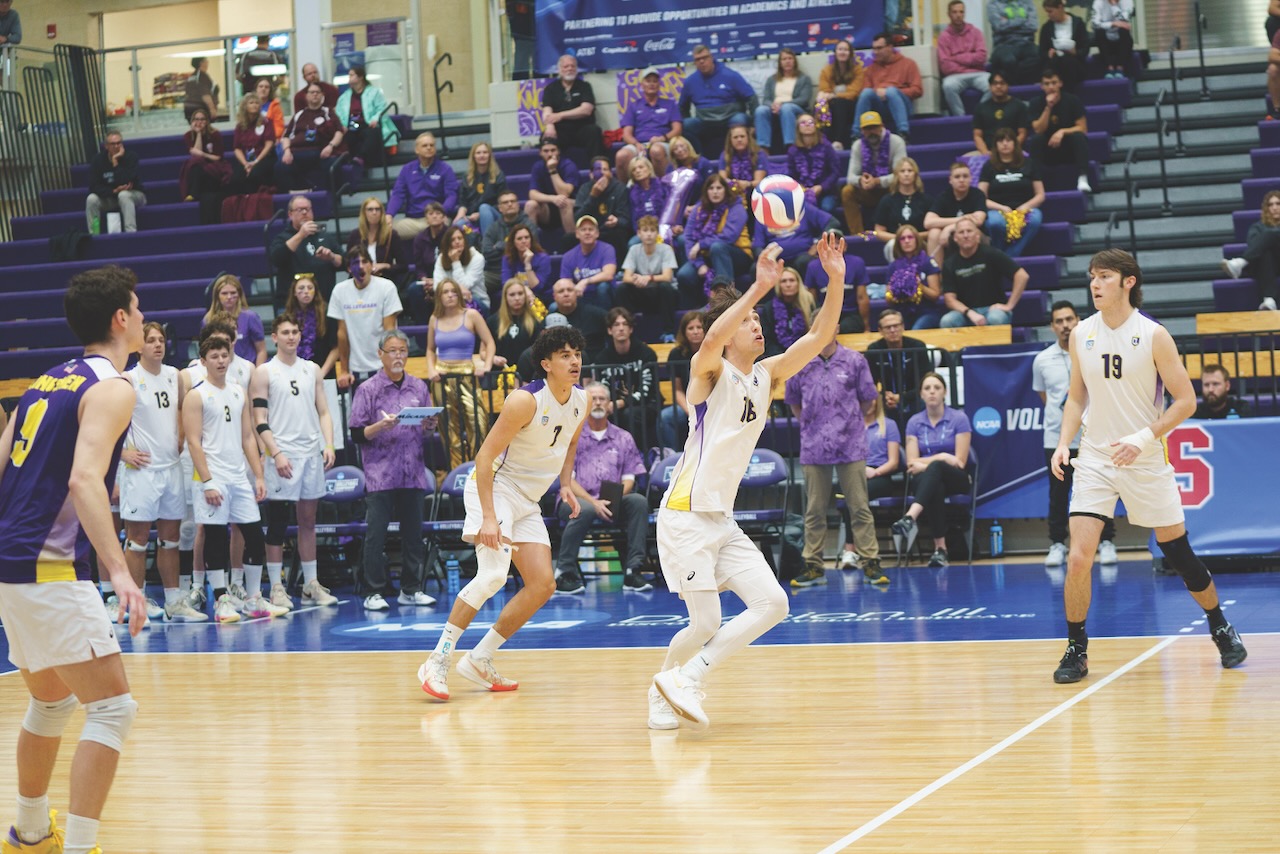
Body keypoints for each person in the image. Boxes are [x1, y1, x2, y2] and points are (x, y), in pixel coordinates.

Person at [650, 235, 846, 732]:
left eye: (759, 321)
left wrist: (837, 277)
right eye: (748, 322)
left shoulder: (767, 375)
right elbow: (710, 339)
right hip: (685, 512)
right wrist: (757, 288)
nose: (756, 326)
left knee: (773, 603)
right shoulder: (708, 374)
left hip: (720, 517)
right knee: (705, 623)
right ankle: (668, 687)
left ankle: (684, 677)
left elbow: (820, 336)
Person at [1049, 248, 1247, 683]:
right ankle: (1075, 650)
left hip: (1143, 458)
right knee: (1079, 557)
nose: (1094, 285)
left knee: (1177, 552)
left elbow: (1187, 401)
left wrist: (1143, 438)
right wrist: (1064, 443)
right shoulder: (1082, 332)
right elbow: (1077, 396)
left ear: (1128, 281)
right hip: (1097, 456)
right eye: (1091, 278)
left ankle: (1220, 625)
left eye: (1103, 277)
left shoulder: (1154, 335)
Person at [0, 265, 145, 854]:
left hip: (11, 563)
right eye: (137, 310)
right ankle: (82, 847)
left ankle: (30, 831)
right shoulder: (113, 386)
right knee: (113, 710)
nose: (141, 318)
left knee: (51, 701)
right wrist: (117, 572)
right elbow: (85, 477)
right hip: (50, 566)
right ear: (119, 319)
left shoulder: (43, 382)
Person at [417, 325, 589, 701]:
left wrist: (564, 484)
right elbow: (482, 458)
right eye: (564, 355)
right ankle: (437, 659)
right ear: (546, 364)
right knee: (494, 574)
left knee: (543, 584)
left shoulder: (581, 400)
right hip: (494, 488)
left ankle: (480, 658)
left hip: (527, 500)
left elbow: (571, 442)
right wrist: (491, 517)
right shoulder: (524, 401)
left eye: (576, 353)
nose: (574, 360)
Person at [250, 314, 340, 612]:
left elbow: (324, 411)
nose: (291, 337)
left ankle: (310, 584)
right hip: (282, 455)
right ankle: (276, 587)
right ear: (274, 337)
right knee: (277, 524)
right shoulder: (264, 372)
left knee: (308, 521)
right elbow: (259, 419)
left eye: (295, 332)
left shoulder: (312, 369)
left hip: (310, 452)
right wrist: (275, 453)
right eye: (285, 332)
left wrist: (328, 444)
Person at [785, 324, 886, 588]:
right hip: (813, 444)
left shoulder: (855, 360)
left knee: (859, 506)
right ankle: (814, 565)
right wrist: (810, 425)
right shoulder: (801, 362)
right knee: (814, 509)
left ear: (837, 328)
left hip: (851, 443)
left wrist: (849, 422)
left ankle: (871, 561)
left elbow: (868, 399)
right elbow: (793, 401)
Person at [182, 333, 270, 623]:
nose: (221, 361)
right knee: (216, 539)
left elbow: (247, 436)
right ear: (204, 360)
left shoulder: (237, 391)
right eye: (215, 356)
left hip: (238, 476)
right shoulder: (196, 394)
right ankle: (221, 600)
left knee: (255, 537)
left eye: (224, 355)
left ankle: (254, 598)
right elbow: (193, 442)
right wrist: (207, 481)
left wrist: (258, 475)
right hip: (212, 476)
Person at [347, 329, 438, 611]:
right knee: (377, 534)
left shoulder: (419, 387)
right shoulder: (369, 389)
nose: (398, 356)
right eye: (393, 351)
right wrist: (380, 427)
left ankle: (411, 589)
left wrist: (430, 425)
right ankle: (373, 592)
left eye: (402, 351)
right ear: (381, 355)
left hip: (413, 471)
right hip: (380, 473)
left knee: (413, 534)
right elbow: (357, 434)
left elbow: (428, 426)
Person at [1032, 300, 1118, 569]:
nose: (1065, 326)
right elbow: (1045, 397)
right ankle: (1057, 544)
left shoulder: (1093, 352)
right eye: (1059, 321)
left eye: (1069, 319)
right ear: (1052, 326)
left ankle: (1107, 542)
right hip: (1057, 440)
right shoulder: (1041, 360)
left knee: (1100, 491)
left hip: (1093, 437)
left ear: (1078, 321)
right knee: (1058, 494)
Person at [554, 381, 652, 594]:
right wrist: (593, 503)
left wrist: (612, 501)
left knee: (638, 502)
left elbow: (629, 478)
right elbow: (567, 480)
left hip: (611, 500)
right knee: (584, 509)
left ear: (610, 405)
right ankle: (564, 572)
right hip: (574, 500)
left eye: (602, 399)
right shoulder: (572, 436)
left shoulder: (623, 437)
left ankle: (633, 571)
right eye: (593, 399)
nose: (598, 403)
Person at [890, 371, 972, 568]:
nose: (932, 392)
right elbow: (911, 463)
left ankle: (910, 517)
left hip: (957, 478)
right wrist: (943, 457)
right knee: (935, 485)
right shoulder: (914, 422)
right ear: (921, 394)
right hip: (926, 479)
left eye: (937, 388)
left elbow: (960, 461)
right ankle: (940, 550)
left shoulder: (959, 418)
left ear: (944, 392)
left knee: (935, 469)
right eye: (927, 388)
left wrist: (937, 460)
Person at [426, 279, 495, 470]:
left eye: (453, 292)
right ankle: (457, 470)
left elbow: (489, 342)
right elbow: (430, 350)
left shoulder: (471, 315)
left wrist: (486, 365)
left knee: (479, 424)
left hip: (467, 375)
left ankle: (479, 469)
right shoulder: (434, 319)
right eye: (445, 292)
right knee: (448, 428)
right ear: (439, 296)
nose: (450, 295)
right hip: (442, 377)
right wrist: (431, 369)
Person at [328, 247, 403, 391]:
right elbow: (342, 333)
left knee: (387, 413)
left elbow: (389, 331)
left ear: (371, 265)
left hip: (382, 365)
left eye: (364, 262)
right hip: (356, 367)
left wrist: (390, 364)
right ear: (349, 268)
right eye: (356, 263)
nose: (361, 266)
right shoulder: (340, 291)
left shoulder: (386, 287)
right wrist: (344, 370)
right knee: (360, 413)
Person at [676, 175, 752, 307]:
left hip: (737, 254)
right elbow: (688, 237)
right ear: (706, 191)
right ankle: (692, 313)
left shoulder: (736, 206)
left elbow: (729, 236)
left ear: (725, 190)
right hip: (707, 256)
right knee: (684, 275)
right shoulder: (699, 209)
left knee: (717, 247)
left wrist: (701, 244)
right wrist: (699, 265)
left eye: (719, 188)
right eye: (711, 188)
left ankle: (727, 301)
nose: (715, 191)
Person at [940, 218, 1028, 327]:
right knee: (947, 321)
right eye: (961, 232)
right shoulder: (949, 263)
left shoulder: (991, 254)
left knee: (995, 318)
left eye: (969, 231)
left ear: (977, 236)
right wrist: (970, 313)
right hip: (966, 312)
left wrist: (1009, 305)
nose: (966, 235)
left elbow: (1022, 276)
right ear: (955, 238)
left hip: (993, 310)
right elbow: (949, 300)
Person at [591, 307, 662, 442]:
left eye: (625, 324)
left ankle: (637, 456)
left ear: (631, 329)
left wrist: (621, 403)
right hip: (614, 407)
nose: (621, 328)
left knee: (629, 414)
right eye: (616, 325)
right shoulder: (602, 358)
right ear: (609, 330)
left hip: (647, 404)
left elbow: (648, 391)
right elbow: (603, 389)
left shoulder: (646, 354)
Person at [678, 45, 759, 154]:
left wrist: (754, 124)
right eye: (698, 59)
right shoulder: (690, 82)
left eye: (705, 57)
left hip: (731, 118)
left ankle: (741, 158)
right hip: (704, 122)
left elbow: (751, 97)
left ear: (712, 58)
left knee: (740, 119)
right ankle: (699, 159)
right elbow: (682, 107)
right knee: (686, 125)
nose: (702, 62)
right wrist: (686, 117)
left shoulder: (731, 75)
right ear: (695, 62)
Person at [979, 127, 1046, 257]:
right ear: (995, 145)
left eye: (1009, 140)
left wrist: (1025, 207)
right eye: (1001, 141)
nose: (1005, 144)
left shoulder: (1028, 163)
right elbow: (981, 196)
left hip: (1024, 209)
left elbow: (1040, 195)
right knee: (994, 222)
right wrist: (1002, 208)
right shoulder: (988, 166)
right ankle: (999, 252)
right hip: (997, 210)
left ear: (1015, 144)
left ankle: (1007, 256)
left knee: (1036, 219)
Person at [840, 111, 907, 236]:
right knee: (847, 191)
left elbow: (901, 174)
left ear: (882, 126)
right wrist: (861, 181)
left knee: (903, 184)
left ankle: (897, 232)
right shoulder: (857, 145)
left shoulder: (896, 142)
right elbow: (850, 177)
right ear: (862, 131)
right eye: (867, 129)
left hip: (889, 189)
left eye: (874, 128)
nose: (871, 132)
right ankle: (858, 235)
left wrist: (878, 181)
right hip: (867, 190)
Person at [270, 195, 344, 304]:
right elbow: (277, 259)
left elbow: (345, 262)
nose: (304, 213)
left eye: (307, 209)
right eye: (300, 210)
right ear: (290, 214)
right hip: (292, 304)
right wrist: (301, 234)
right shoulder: (282, 238)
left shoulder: (326, 237)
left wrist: (332, 257)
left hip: (323, 301)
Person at [1028, 69, 1092, 194]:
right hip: (1047, 150)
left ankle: (1083, 178)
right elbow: (1038, 129)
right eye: (1047, 84)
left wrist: (1062, 131)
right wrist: (1048, 107)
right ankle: (1036, 184)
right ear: (1041, 86)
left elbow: (1082, 128)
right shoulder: (1035, 103)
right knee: (1036, 140)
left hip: (1068, 149)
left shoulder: (1072, 100)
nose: (1051, 87)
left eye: (1054, 82)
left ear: (1060, 84)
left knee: (1079, 137)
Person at [387, 132, 459, 238]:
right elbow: (398, 194)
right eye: (425, 146)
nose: (429, 148)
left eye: (432, 145)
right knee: (385, 229)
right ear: (417, 150)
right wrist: (389, 214)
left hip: (438, 217)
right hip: (413, 220)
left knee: (440, 225)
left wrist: (441, 212)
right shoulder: (407, 169)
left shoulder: (445, 169)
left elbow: (452, 195)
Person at [276, 82, 344, 191]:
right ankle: (291, 199)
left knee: (332, 165)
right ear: (306, 96)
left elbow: (339, 132)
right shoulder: (299, 115)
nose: (315, 94)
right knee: (280, 166)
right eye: (312, 92)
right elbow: (286, 137)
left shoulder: (328, 112)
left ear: (322, 95)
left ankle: (330, 200)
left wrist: (330, 146)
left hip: (320, 152)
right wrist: (287, 151)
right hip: (297, 152)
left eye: (317, 92)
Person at [855, 32, 923, 140]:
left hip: (902, 106)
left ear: (890, 47)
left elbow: (918, 90)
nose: (875, 52)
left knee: (891, 91)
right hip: (880, 107)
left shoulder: (908, 64)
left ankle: (903, 133)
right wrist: (877, 92)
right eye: (874, 49)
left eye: (879, 48)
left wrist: (892, 92)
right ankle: (856, 134)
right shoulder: (871, 69)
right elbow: (864, 91)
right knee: (866, 93)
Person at [866, 308, 930, 423]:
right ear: (880, 331)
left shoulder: (917, 346)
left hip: (915, 398)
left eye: (896, 326)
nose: (893, 330)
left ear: (903, 327)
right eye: (888, 327)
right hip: (887, 400)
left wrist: (902, 397)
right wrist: (883, 396)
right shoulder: (874, 350)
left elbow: (926, 380)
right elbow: (869, 383)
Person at [617, 66, 681, 178]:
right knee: (621, 155)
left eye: (655, 81)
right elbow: (626, 134)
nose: (652, 84)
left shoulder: (670, 104)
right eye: (648, 81)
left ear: (659, 85)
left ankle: (664, 188)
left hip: (662, 142)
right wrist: (636, 144)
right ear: (642, 85)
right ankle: (624, 193)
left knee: (656, 150)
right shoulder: (634, 106)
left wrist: (663, 138)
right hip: (638, 144)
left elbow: (677, 129)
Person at [1221, 190, 1280, 311]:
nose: (1274, 207)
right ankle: (1269, 300)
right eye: (1271, 204)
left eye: (1278, 204)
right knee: (1265, 252)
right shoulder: (1257, 227)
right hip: (1264, 265)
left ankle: (1240, 263)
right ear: (1266, 208)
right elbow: (1253, 244)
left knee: (1271, 234)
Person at [540, 54, 605, 161]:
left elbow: (586, 110)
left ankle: (597, 167)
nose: (570, 69)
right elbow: (547, 112)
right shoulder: (550, 89)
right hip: (561, 131)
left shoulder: (585, 86)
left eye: (572, 66)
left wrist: (560, 115)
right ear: (559, 69)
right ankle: (552, 170)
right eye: (566, 66)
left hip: (582, 129)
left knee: (594, 131)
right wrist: (550, 126)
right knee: (547, 136)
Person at [656, 310, 705, 451]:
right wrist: (691, 412)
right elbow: (677, 390)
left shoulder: (716, 351)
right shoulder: (676, 354)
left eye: (699, 327)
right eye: (690, 328)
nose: (695, 332)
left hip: (713, 404)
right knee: (665, 418)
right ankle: (672, 457)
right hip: (688, 405)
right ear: (684, 332)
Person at [618, 215, 678, 325]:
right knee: (622, 288)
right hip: (642, 291)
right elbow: (626, 277)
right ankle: (629, 326)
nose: (649, 234)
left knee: (666, 287)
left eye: (652, 230)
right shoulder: (634, 249)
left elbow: (667, 277)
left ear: (657, 233)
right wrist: (638, 279)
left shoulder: (666, 249)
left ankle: (668, 331)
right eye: (645, 230)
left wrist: (647, 278)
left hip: (659, 294)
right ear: (639, 233)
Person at [924, 161, 988, 261]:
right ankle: (937, 274)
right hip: (951, 238)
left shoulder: (978, 194)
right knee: (934, 233)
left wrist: (949, 228)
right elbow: (928, 222)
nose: (961, 180)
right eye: (957, 177)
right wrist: (961, 219)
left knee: (969, 231)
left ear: (971, 178)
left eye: (965, 176)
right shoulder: (944, 196)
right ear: (950, 180)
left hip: (977, 236)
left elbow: (978, 220)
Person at [85, 131, 146, 235]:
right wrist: (113, 191)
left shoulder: (131, 157)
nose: (116, 146)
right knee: (91, 199)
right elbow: (94, 186)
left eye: (119, 143)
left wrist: (115, 162)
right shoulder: (98, 160)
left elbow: (127, 181)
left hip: (134, 195)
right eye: (113, 144)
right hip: (111, 197)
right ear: (106, 146)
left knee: (124, 195)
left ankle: (131, 233)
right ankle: (93, 234)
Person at [884, 224, 944, 329]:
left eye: (910, 237)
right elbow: (888, 299)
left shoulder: (928, 263)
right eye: (902, 238)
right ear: (898, 243)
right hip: (901, 312)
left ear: (917, 240)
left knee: (917, 329)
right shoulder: (893, 267)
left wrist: (918, 285)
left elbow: (935, 295)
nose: (907, 241)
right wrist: (897, 289)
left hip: (926, 311)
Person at [336, 64, 397, 166]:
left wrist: (375, 119)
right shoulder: (344, 97)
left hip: (369, 124)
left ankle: (360, 158)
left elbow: (381, 108)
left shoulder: (374, 92)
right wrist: (342, 125)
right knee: (346, 137)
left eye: (352, 75)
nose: (349, 78)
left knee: (372, 133)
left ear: (360, 77)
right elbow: (339, 113)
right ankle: (349, 163)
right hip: (351, 126)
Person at [755, 48, 814, 152]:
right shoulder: (771, 79)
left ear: (794, 61)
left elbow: (803, 99)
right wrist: (773, 106)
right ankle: (763, 148)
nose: (787, 61)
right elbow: (766, 99)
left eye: (790, 58)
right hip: (775, 108)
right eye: (784, 59)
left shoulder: (804, 79)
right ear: (780, 63)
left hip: (796, 109)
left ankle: (790, 145)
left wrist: (782, 104)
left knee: (787, 108)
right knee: (760, 110)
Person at [873, 157, 934, 257]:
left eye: (910, 171)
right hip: (896, 244)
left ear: (915, 174)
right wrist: (900, 238)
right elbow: (879, 231)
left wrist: (913, 237)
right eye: (902, 171)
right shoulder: (887, 200)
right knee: (892, 244)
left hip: (921, 243)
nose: (906, 174)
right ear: (897, 175)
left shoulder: (926, 200)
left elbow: (933, 231)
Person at [938, 0, 991, 116]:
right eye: (955, 12)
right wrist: (970, 62)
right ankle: (960, 117)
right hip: (955, 76)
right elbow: (945, 66)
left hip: (978, 73)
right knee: (948, 86)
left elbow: (982, 57)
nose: (958, 15)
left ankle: (979, 114)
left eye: (961, 12)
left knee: (994, 85)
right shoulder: (943, 37)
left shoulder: (976, 32)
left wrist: (956, 57)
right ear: (949, 14)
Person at [574, 157, 633, 260]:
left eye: (605, 170)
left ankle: (619, 271)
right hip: (591, 231)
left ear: (611, 172)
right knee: (568, 239)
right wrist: (593, 196)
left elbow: (626, 219)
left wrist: (617, 221)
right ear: (591, 174)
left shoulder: (620, 188)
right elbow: (578, 218)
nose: (601, 173)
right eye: (597, 170)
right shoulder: (585, 189)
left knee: (618, 235)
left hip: (612, 230)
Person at [482, 191, 538, 298]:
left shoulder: (528, 224)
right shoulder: (493, 228)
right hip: (496, 272)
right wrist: (512, 248)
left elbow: (530, 247)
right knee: (476, 283)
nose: (510, 204)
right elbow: (487, 252)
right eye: (505, 202)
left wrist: (499, 246)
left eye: (513, 201)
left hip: (519, 270)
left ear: (518, 205)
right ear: (500, 208)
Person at [178, 109, 230, 224]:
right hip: (200, 167)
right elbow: (196, 154)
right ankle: (193, 193)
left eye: (202, 119)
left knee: (197, 164)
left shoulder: (215, 134)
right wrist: (199, 134)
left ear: (207, 121)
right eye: (196, 119)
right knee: (194, 164)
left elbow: (218, 157)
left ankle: (194, 192)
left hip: (214, 166)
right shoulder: (188, 136)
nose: (199, 122)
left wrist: (204, 155)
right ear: (192, 121)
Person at [346, 196, 410, 289]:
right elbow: (348, 262)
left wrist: (385, 266)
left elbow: (403, 266)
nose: (374, 212)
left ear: (382, 212)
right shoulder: (355, 235)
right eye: (370, 210)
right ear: (364, 213)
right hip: (360, 280)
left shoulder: (391, 235)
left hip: (383, 280)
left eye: (377, 209)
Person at [285, 273, 339, 379]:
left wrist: (321, 374)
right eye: (301, 288)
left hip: (324, 374)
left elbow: (336, 348)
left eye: (310, 288)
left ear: (315, 291)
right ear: (294, 293)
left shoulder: (327, 312)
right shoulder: (288, 316)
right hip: (297, 376)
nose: (306, 291)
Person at [524, 137, 581, 237]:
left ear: (558, 151)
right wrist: (553, 198)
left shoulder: (568, 165)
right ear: (540, 153)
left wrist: (552, 170)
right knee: (530, 205)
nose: (550, 154)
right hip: (549, 210)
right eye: (546, 151)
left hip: (571, 209)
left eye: (553, 150)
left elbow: (565, 193)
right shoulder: (538, 166)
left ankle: (572, 243)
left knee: (564, 202)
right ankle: (530, 246)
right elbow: (532, 194)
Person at [204, 274, 265, 366]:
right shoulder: (208, 320)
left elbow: (261, 350)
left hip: (247, 370)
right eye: (224, 293)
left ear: (239, 295)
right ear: (217, 296)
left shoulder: (250, 317)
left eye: (233, 293)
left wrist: (257, 373)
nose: (229, 297)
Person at [815, 39, 866, 150]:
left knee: (839, 103)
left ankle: (839, 141)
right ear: (835, 52)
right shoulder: (827, 70)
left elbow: (854, 92)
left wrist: (835, 95)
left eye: (846, 50)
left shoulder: (857, 70)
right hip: (832, 104)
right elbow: (824, 90)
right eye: (840, 49)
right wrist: (827, 96)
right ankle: (821, 141)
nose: (842, 52)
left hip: (852, 106)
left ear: (851, 53)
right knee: (820, 103)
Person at [560, 215, 618, 310]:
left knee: (603, 287)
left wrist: (585, 281)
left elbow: (609, 274)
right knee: (554, 307)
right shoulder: (568, 256)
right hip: (582, 297)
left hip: (604, 297)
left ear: (597, 233)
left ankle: (606, 319)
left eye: (591, 229)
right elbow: (566, 283)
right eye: (583, 230)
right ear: (577, 234)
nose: (587, 233)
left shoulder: (607, 249)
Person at [489, 277, 544, 376]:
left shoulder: (535, 321)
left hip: (527, 375)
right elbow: (483, 351)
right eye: (512, 295)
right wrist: (493, 358)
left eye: (520, 293)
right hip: (499, 373)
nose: (517, 298)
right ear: (505, 297)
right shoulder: (493, 321)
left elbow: (540, 350)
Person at [787, 113, 841, 214]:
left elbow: (835, 172)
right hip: (803, 192)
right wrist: (801, 188)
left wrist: (821, 187)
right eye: (803, 123)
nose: (807, 125)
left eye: (811, 122)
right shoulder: (793, 150)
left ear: (816, 126)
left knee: (826, 207)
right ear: (798, 128)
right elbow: (792, 175)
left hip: (826, 192)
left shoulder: (826, 147)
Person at [757, 266, 815, 356]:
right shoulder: (769, 308)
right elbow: (767, 339)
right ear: (778, 285)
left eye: (792, 280)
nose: (788, 284)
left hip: (806, 354)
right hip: (777, 356)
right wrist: (783, 357)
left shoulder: (810, 304)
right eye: (783, 281)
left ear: (798, 283)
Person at [971, 71, 1032, 156]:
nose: (998, 86)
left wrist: (1009, 149)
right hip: (988, 152)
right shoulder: (981, 108)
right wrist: (986, 153)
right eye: (995, 83)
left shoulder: (1019, 106)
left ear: (1008, 85)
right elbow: (977, 136)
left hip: (1013, 152)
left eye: (1002, 83)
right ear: (990, 86)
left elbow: (1022, 133)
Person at [407, 203, 451, 321]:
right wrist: (423, 278)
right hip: (427, 280)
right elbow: (419, 266)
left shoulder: (451, 235)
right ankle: (423, 327)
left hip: (449, 278)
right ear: (426, 219)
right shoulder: (420, 239)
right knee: (413, 289)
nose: (434, 216)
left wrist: (438, 281)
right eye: (431, 214)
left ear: (444, 217)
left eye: (438, 213)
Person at [456, 141, 508, 240]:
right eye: (478, 153)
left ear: (489, 155)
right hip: (472, 217)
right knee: (458, 226)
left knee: (484, 208)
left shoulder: (498, 175)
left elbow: (503, 204)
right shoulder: (467, 177)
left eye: (485, 152)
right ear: (473, 156)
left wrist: (480, 214)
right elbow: (463, 202)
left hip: (494, 216)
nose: (482, 155)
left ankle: (487, 246)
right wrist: (461, 214)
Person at [432, 224, 489, 312]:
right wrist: (455, 291)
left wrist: (455, 262)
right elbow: (437, 287)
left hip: (477, 301)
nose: (457, 242)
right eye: (453, 239)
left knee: (465, 297)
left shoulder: (477, 258)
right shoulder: (441, 258)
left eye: (460, 238)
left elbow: (466, 285)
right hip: (450, 301)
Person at [547, 277, 608, 354]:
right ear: (554, 296)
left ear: (576, 293)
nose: (566, 294)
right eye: (561, 291)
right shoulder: (550, 321)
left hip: (595, 363)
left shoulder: (595, 314)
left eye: (570, 290)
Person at [1039, 0, 1089, 93]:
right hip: (1055, 62)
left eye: (1051, 11)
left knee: (1067, 61)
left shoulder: (1077, 23)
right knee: (1057, 61)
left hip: (1075, 63)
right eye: (1047, 12)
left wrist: (1075, 52)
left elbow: (1085, 47)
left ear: (1060, 7)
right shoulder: (1047, 27)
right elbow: (1042, 51)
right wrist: (1048, 54)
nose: (1049, 15)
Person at [232, 92, 277, 193]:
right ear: (245, 106)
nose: (255, 105)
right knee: (235, 179)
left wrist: (256, 162)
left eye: (257, 103)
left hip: (263, 158)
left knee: (254, 175)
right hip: (246, 159)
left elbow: (269, 144)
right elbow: (237, 148)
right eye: (251, 103)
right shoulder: (240, 126)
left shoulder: (266, 122)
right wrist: (245, 164)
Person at [500, 224, 552, 303]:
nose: (524, 241)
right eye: (519, 239)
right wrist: (524, 290)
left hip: (541, 298)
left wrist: (527, 264)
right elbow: (506, 284)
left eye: (527, 237)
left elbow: (537, 287)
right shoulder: (507, 259)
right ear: (513, 242)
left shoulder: (543, 258)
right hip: (517, 297)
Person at [718, 124, 767, 204]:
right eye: (735, 137)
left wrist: (747, 184)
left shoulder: (759, 154)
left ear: (748, 138)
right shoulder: (725, 155)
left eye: (742, 136)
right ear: (730, 140)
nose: (739, 139)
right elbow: (722, 180)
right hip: (733, 195)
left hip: (756, 195)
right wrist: (733, 183)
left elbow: (759, 182)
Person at [1092, 0, 1135, 79]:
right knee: (1099, 32)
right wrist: (1112, 24)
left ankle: (1120, 68)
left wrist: (1114, 5)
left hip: (1121, 38)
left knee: (1124, 31)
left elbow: (1124, 20)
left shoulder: (1128, 1)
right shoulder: (1098, 2)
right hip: (1106, 36)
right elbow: (1095, 24)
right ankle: (1110, 68)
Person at [629, 157, 670, 226]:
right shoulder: (631, 193)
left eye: (641, 167)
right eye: (634, 170)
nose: (637, 171)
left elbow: (670, 210)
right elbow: (633, 219)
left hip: (664, 227)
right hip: (643, 231)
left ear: (649, 169)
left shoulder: (663, 186)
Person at [182, 57, 218, 122]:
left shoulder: (192, 76)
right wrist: (212, 109)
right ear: (201, 63)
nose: (208, 62)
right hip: (200, 110)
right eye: (206, 61)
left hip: (190, 109)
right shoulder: (201, 76)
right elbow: (205, 94)